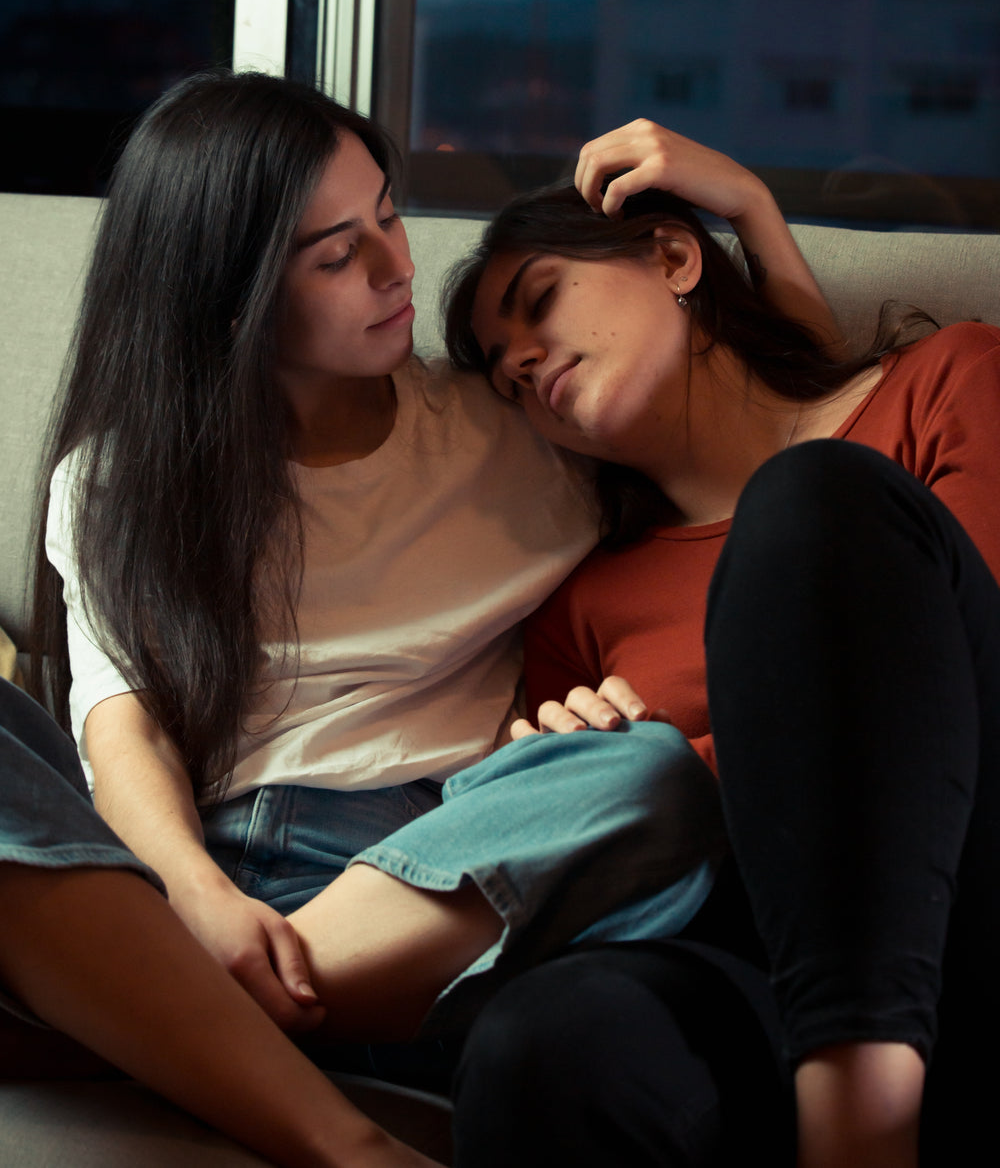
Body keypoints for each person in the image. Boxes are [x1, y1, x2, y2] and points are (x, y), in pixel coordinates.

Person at [27, 76, 827, 1058]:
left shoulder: (516, 425)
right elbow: (125, 736)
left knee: (650, 778)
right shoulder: (119, 479)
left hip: (471, 860)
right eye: (336, 255)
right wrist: (197, 900)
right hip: (231, 864)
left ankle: (170, 1018)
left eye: (388, 216)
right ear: (229, 305)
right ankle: (230, 993)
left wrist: (752, 217)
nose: (395, 266)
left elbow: (795, 446)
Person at [442, 167, 1000, 1168]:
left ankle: (859, 1130)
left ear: (672, 256)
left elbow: (942, 663)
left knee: (814, 500)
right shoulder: (582, 608)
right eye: (500, 371)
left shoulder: (949, 379)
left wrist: (673, 763)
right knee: (542, 1042)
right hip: (748, 953)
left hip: (971, 885)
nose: (520, 364)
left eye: (539, 304)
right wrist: (590, 782)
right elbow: (553, 870)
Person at [0, 676, 441, 1168]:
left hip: (389, 867)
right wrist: (195, 893)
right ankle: (352, 1146)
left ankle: (111, 1013)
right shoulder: (140, 596)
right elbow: (128, 734)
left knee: (541, 781)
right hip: (145, 881)